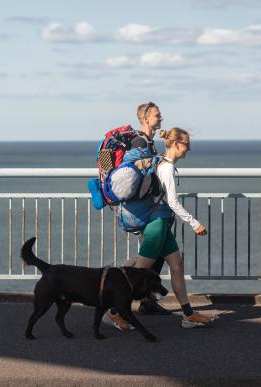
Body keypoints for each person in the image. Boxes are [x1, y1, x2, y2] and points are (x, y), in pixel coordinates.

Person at [105, 127, 214, 330]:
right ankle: (113, 312)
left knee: (177, 267)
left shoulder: (161, 163)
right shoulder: (167, 167)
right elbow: (172, 202)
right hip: (157, 225)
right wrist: (194, 223)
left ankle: (188, 315)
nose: (188, 150)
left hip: (161, 224)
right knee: (136, 274)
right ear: (177, 144)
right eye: (187, 146)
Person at [102, 102, 171, 332]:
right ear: (145, 118)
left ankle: (147, 300)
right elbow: (133, 178)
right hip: (140, 210)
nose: (160, 116)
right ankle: (116, 303)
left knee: (154, 255)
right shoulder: (140, 142)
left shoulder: (146, 142)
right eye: (156, 114)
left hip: (145, 208)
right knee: (146, 261)